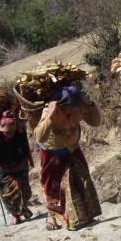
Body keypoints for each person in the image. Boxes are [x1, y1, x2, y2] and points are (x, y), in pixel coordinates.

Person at [34, 85, 102, 230]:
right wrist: (51, 117)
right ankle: (52, 215)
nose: (71, 110)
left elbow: (96, 122)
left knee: (81, 178)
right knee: (53, 185)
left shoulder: (79, 106)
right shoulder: (49, 110)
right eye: (68, 107)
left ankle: (85, 212)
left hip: (72, 149)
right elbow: (40, 136)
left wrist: (89, 104)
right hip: (52, 152)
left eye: (74, 106)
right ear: (60, 103)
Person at [0, 110, 34, 225]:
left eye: (11, 132)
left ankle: (21, 209)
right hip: (2, 167)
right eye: (6, 132)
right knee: (7, 192)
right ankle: (15, 215)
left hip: (20, 165)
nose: (9, 134)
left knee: (25, 191)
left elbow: (25, 147)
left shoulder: (20, 133)